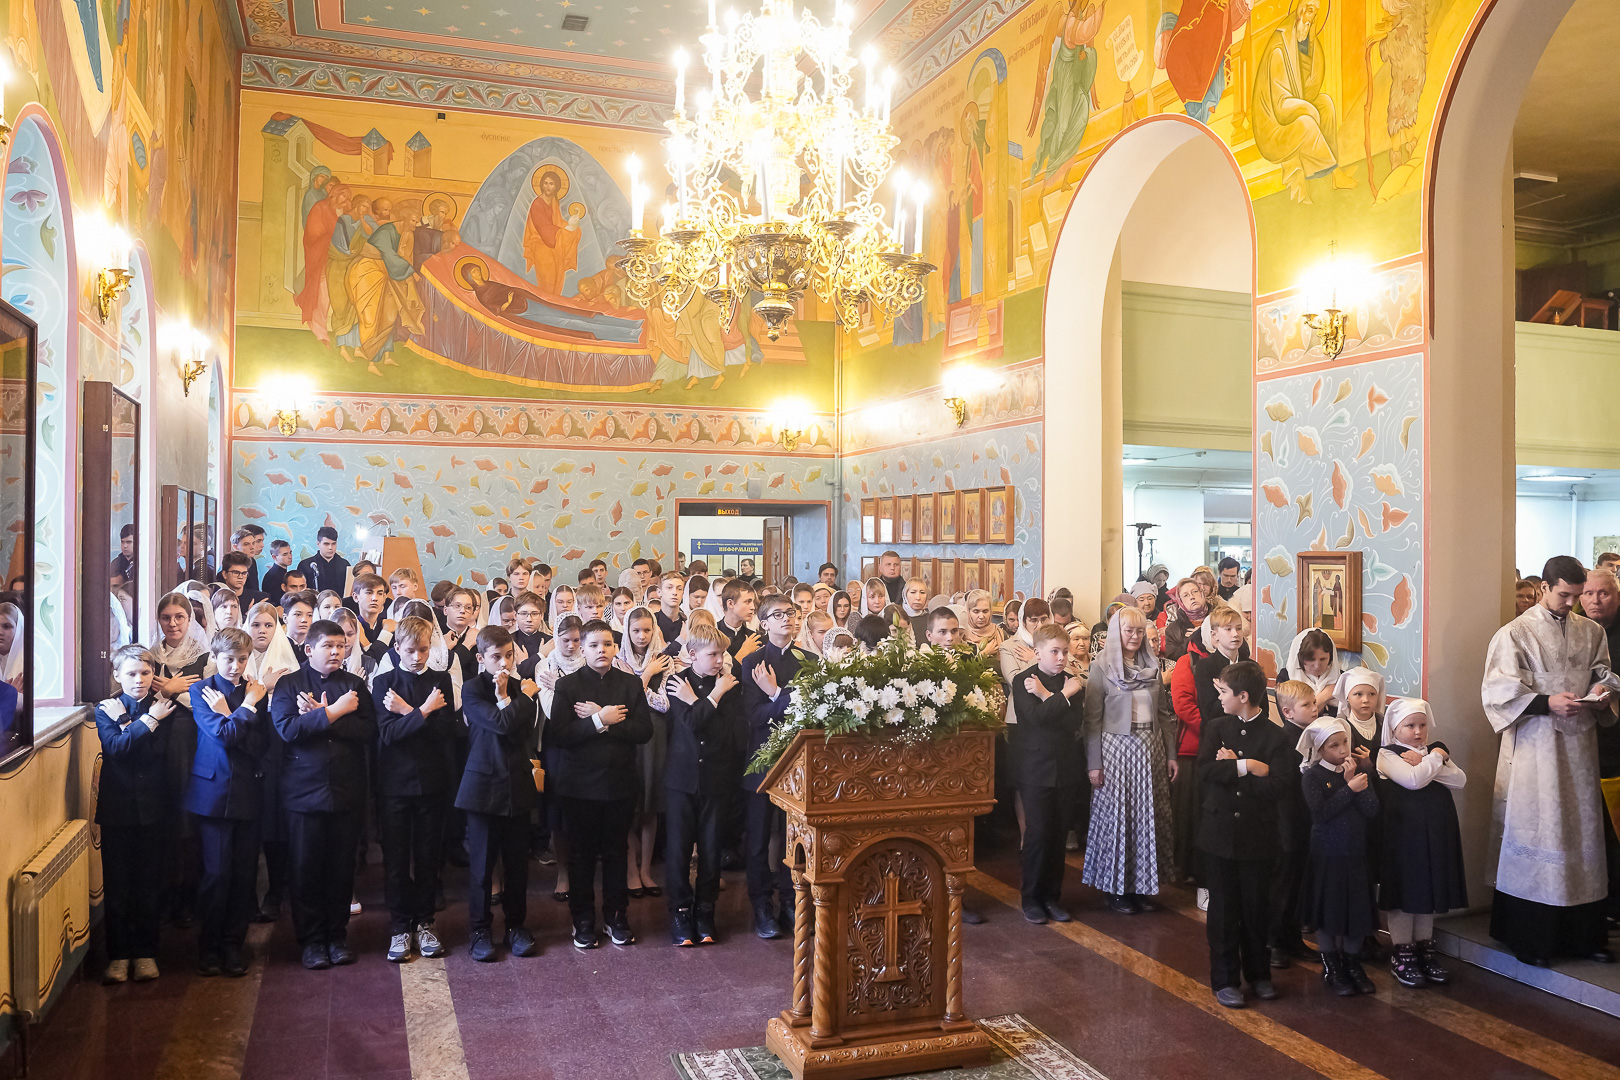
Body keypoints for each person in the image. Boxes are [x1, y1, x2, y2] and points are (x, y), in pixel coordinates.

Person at [270, 620, 376, 970]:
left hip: (346, 789)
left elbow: (368, 732)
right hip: (303, 791)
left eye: (341, 645)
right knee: (305, 868)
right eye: (328, 646)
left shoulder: (354, 685)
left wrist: (326, 715)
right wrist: (334, 711)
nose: (335, 651)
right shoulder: (289, 684)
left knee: (341, 867)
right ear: (308, 649)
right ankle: (312, 940)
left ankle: (336, 934)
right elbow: (288, 730)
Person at [550, 620, 654, 949]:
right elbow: (559, 736)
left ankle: (616, 916)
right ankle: (582, 920)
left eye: (608, 645)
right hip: (578, 786)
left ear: (615, 648)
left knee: (616, 854)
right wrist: (599, 720)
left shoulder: (630, 684)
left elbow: (644, 731)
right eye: (594, 645)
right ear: (583, 648)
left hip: (619, 784)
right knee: (580, 856)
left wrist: (606, 723)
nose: (601, 651)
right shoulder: (568, 687)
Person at [1198, 660, 1289, 1009]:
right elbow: (1206, 771)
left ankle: (1260, 975)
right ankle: (1224, 979)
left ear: (1244, 695)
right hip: (1219, 834)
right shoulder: (1217, 727)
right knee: (1222, 911)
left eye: (1224, 692)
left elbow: (1279, 786)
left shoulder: (1276, 737)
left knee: (1256, 909)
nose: (1219, 698)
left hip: (1258, 836)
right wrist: (1247, 766)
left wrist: (1234, 769)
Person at [186, 628, 272, 978]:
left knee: (243, 874)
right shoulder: (201, 690)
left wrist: (235, 714)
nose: (235, 666)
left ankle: (234, 945)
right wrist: (246, 708)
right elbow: (221, 736)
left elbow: (258, 745)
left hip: (249, 792)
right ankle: (209, 946)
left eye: (241, 659)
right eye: (228, 659)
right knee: (216, 873)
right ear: (215, 657)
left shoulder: (257, 691)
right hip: (213, 794)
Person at [372, 615, 459, 963]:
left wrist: (410, 711)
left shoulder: (441, 682)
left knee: (427, 858)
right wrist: (425, 713)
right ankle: (399, 926)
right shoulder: (383, 683)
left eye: (424, 650)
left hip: (432, 781)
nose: (417, 657)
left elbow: (446, 734)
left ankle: (425, 922)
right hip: (394, 782)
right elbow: (388, 736)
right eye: (410, 650)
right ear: (397, 649)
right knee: (395, 859)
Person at [1081, 607, 1175, 913]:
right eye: (1128, 631)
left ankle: (1141, 886)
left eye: (1139, 631)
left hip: (1150, 747)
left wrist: (1171, 754)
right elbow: (1091, 720)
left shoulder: (1153, 667)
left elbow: (1164, 714)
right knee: (1118, 819)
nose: (1134, 637)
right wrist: (1094, 763)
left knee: (1147, 819)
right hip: (1116, 749)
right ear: (1115, 633)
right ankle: (1116, 889)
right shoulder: (1101, 666)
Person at [456, 625, 542, 962]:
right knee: (481, 866)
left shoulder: (522, 687)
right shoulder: (472, 689)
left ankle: (516, 926)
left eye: (509, 655)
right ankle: (479, 929)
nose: (504, 663)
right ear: (481, 658)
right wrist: (522, 699)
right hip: (481, 788)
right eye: (496, 657)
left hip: (517, 784)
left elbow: (524, 730)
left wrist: (513, 697)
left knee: (518, 864)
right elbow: (502, 724)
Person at [96, 646, 177, 983]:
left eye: (145, 673)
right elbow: (116, 749)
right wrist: (147, 721)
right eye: (131, 673)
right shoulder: (106, 708)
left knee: (149, 884)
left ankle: (146, 952)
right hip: (118, 810)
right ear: (117, 675)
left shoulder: (164, 707)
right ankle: (118, 955)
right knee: (117, 887)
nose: (139, 680)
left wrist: (133, 722)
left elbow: (154, 753)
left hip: (154, 808)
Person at [1376, 697, 1468, 987]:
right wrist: (1437, 756)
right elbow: (1413, 780)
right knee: (1405, 895)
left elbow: (1460, 780)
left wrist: (1432, 758)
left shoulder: (1429, 754)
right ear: (1395, 727)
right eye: (1410, 725)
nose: (1417, 732)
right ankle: (1402, 952)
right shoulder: (1387, 754)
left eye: (1422, 725)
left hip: (1433, 833)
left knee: (1426, 892)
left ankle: (1423, 948)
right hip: (1404, 834)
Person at [663, 624, 742, 946]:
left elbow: (732, 735)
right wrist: (713, 697)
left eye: (722, 653)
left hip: (716, 778)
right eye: (713, 654)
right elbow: (693, 724)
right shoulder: (675, 681)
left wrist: (707, 696)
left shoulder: (732, 686)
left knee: (711, 848)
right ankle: (681, 911)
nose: (720, 660)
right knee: (679, 849)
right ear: (692, 655)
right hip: (681, 779)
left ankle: (706, 910)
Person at [737, 595, 810, 938]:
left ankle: (791, 902)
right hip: (760, 760)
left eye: (791, 614)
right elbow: (753, 718)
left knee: (793, 838)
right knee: (759, 837)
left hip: (798, 762)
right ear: (763, 624)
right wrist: (782, 699)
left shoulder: (809, 661)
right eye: (777, 615)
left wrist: (775, 692)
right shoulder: (752, 662)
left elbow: (808, 714)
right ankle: (761, 904)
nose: (787, 620)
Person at [1296, 717, 1379, 997]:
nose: (1343, 749)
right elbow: (1321, 814)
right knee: (1328, 913)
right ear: (1320, 750)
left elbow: (1372, 810)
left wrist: (1357, 783)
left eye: (1345, 742)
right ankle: (1332, 965)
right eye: (1334, 745)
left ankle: (1353, 964)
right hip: (1327, 856)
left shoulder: (1357, 772)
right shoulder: (1312, 776)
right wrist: (1348, 789)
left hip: (1355, 855)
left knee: (1356, 913)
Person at [1010, 624, 1085, 923]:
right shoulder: (1023, 680)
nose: (1061, 657)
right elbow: (1036, 720)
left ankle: (1052, 897)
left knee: (1057, 836)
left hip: (1066, 769)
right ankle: (1031, 899)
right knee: (1038, 834)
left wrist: (1051, 696)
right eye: (1054, 651)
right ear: (1038, 652)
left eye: (1064, 652)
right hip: (1035, 769)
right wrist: (1059, 696)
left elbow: (1073, 724)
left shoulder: (1073, 682)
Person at [617, 606, 673, 900]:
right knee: (629, 805)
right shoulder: (617, 659)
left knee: (651, 804)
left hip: (655, 735)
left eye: (647, 630)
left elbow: (664, 704)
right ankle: (629, 869)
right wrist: (646, 675)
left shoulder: (664, 660)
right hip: (625, 735)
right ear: (627, 630)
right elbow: (622, 700)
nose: (641, 636)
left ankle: (646, 869)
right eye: (636, 630)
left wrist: (645, 675)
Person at [1279, 628, 1341, 714]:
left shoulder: (1342, 678)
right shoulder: (1286, 678)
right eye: (1310, 659)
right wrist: (1324, 696)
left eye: (1323, 659)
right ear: (1300, 658)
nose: (1317, 665)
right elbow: (1291, 718)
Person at [297, 527, 352, 595]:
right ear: (318, 544)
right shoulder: (305, 565)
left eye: (333, 544)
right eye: (326, 544)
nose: (330, 548)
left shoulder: (345, 565)